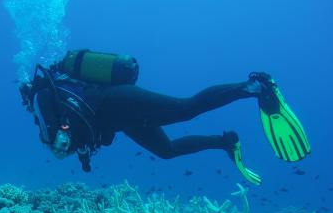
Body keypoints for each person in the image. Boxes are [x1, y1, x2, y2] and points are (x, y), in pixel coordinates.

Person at [18, 50, 311, 185]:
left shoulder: (42, 97)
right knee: (167, 151)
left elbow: (57, 143)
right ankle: (224, 142)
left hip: (118, 102)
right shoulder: (53, 98)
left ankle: (254, 86)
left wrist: (56, 139)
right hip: (121, 118)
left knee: (185, 109)